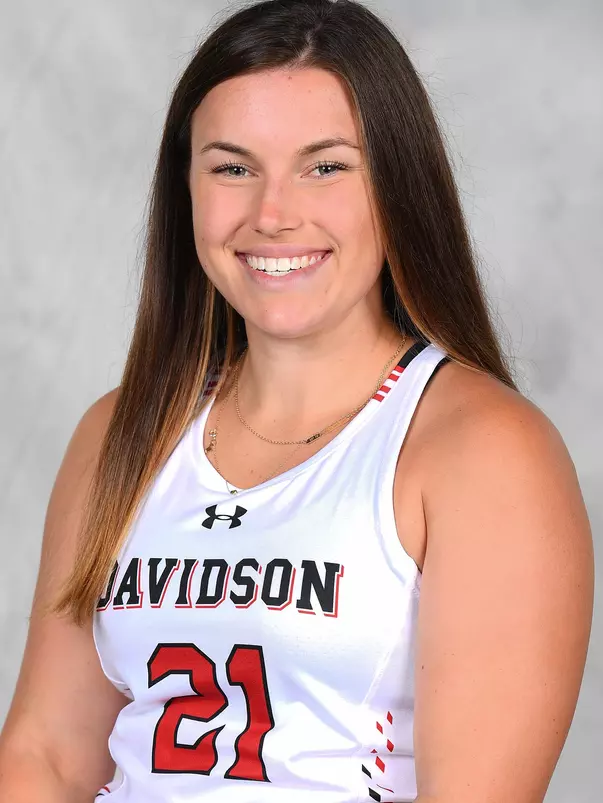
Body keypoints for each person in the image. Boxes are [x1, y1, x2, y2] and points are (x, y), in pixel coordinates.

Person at [0, 0, 594, 801]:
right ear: (186, 191)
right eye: (232, 167)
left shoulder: (483, 450)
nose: (272, 214)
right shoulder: (122, 431)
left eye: (325, 166)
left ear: (396, 186)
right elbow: (48, 757)